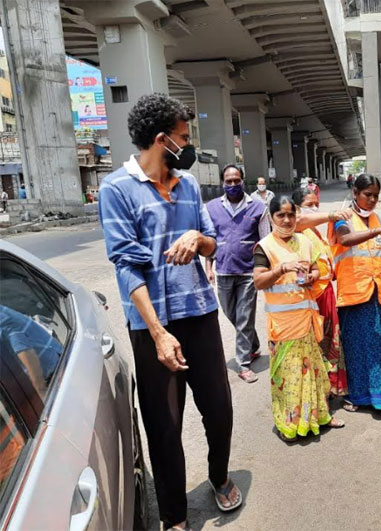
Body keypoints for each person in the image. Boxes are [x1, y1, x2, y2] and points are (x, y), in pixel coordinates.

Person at [98, 93, 240, 530]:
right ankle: (175, 516)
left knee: (218, 408)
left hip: (198, 313)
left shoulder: (190, 185)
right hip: (152, 325)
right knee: (164, 426)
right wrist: (159, 334)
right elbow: (127, 265)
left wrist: (198, 238)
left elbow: (215, 242)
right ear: (163, 139)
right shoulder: (116, 189)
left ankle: (218, 476)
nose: (188, 142)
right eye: (183, 136)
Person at [253, 195, 345, 442]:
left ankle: (318, 416)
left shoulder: (305, 241)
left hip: (306, 320)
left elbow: (316, 268)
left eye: (291, 214)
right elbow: (258, 281)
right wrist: (281, 269)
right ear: (271, 218)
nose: (286, 220)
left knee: (313, 371)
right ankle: (290, 424)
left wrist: (312, 275)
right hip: (283, 326)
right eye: (280, 215)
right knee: (290, 376)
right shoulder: (265, 246)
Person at [327, 174, 381, 411]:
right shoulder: (343, 217)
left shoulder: (379, 218)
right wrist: (377, 232)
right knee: (357, 345)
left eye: (376, 196)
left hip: (379, 292)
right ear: (355, 193)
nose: (372, 200)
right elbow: (345, 239)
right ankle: (358, 395)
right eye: (368, 195)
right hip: (354, 293)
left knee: (379, 343)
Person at [205, 164, 270, 384]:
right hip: (223, 270)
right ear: (222, 183)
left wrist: (264, 270)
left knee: (244, 316)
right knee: (230, 313)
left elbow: (264, 241)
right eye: (228, 181)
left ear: (243, 181)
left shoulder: (258, 208)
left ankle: (243, 363)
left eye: (236, 180)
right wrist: (208, 268)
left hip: (248, 272)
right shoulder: (212, 207)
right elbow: (209, 240)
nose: (232, 184)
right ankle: (252, 345)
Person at [292, 187, 348, 397]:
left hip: (325, 292)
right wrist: (330, 215)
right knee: (317, 343)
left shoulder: (315, 230)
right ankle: (318, 392)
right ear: (297, 208)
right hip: (312, 296)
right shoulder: (297, 227)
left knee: (330, 342)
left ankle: (330, 388)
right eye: (309, 205)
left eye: (316, 204)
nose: (314, 209)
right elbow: (300, 222)